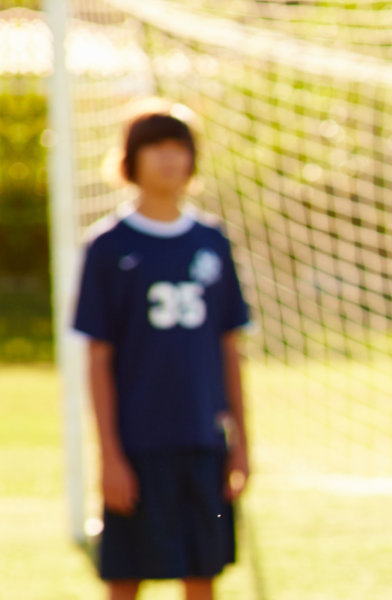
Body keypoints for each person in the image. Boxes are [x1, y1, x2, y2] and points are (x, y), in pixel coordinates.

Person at [74, 103, 252, 600]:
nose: (169, 160)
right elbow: (98, 357)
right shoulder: (107, 247)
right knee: (126, 575)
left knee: (202, 570)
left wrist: (242, 442)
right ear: (130, 159)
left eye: (179, 148)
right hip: (137, 443)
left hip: (203, 439)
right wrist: (109, 455)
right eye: (156, 148)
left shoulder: (212, 241)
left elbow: (229, 347)